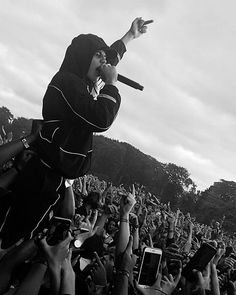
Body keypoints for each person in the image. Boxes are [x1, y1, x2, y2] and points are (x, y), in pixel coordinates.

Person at [0, 17, 151, 249]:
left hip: (56, 180)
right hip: (40, 178)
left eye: (104, 57)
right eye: (97, 56)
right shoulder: (67, 82)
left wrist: (130, 36)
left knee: (33, 243)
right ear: (82, 57)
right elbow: (101, 119)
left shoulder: (80, 84)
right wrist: (110, 86)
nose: (104, 62)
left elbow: (110, 56)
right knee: (12, 241)